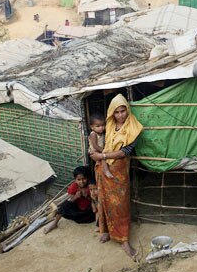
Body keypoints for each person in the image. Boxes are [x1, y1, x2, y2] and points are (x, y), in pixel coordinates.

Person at [91, 94, 143, 258]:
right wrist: (100, 158)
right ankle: (105, 231)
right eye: (117, 112)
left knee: (120, 204)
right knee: (104, 200)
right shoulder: (109, 126)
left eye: (123, 111)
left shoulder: (134, 128)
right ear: (112, 113)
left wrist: (103, 157)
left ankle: (124, 240)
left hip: (119, 171)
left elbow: (124, 152)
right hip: (102, 168)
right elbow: (99, 143)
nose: (120, 115)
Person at [44, 166, 96, 234]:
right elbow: (70, 200)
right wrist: (76, 197)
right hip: (76, 214)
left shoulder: (91, 186)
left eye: (84, 179)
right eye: (79, 179)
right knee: (65, 204)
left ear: (87, 178)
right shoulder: (74, 186)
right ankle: (54, 223)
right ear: (75, 180)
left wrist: (88, 197)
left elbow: (96, 201)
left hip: (88, 214)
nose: (82, 181)